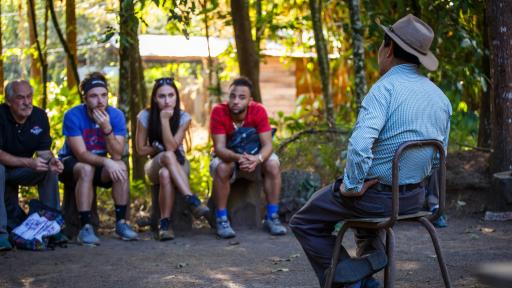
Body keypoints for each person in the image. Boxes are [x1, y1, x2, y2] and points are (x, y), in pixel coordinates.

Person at [289, 14, 452, 288]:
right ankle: (368, 273)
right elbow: (439, 157)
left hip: (377, 200)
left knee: (305, 220)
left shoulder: (384, 90)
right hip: (416, 198)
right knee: (363, 211)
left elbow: (360, 145)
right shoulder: (440, 97)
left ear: (387, 49)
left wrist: (352, 186)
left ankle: (347, 279)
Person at [58, 72, 138, 245]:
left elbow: (116, 154)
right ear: (85, 98)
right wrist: (106, 161)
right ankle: (85, 227)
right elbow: (80, 154)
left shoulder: (115, 115)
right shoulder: (73, 115)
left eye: (104, 95)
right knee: (86, 168)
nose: (100, 100)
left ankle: (121, 223)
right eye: (94, 96)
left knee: (121, 167)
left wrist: (107, 128)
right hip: (70, 164)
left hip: (98, 164)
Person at [209, 76, 287, 238]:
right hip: (230, 157)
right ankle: (221, 219)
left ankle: (272, 216)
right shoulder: (218, 112)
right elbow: (220, 148)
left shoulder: (258, 110)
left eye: (241, 97)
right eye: (232, 96)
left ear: (250, 100)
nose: (236, 101)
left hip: (255, 157)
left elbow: (268, 145)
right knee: (222, 167)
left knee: (273, 165)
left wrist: (257, 159)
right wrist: (239, 158)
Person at [135, 77, 209, 241]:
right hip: (153, 163)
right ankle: (191, 199)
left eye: (171, 95)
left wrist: (165, 121)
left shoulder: (184, 118)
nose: (167, 101)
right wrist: (157, 149)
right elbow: (140, 149)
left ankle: (165, 225)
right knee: (166, 157)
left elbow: (172, 147)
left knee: (166, 174)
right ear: (155, 98)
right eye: (162, 96)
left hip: (180, 163)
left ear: (177, 96)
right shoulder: (144, 116)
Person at [0, 80, 66, 251]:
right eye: (21, 98)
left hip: (23, 170)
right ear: (8, 101)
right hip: (3, 169)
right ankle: (2, 235)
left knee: (49, 170)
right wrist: (28, 162)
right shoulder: (0, 115)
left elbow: (43, 151)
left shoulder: (39, 116)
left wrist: (52, 161)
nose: (27, 102)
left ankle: (51, 227)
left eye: (29, 96)